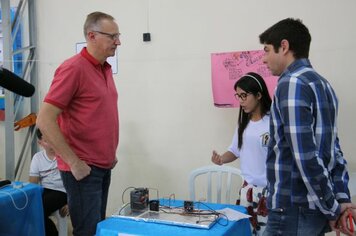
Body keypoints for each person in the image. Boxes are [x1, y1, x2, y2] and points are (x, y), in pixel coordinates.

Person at [259, 18, 355, 235]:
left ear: (284, 46)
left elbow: (305, 157)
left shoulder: (291, 83)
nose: (264, 59)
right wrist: (340, 199)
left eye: (266, 50)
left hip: (292, 209)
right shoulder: (323, 84)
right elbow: (333, 150)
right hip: (311, 208)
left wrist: (332, 208)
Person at [36, 11, 120, 236]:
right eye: (112, 36)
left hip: (102, 166)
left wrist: (108, 153)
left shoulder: (105, 69)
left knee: (97, 229)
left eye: (118, 36)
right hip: (83, 169)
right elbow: (44, 119)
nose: (118, 42)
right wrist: (73, 162)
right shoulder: (73, 68)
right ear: (91, 36)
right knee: (87, 232)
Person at [211, 72, 271, 235]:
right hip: (247, 192)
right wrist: (221, 159)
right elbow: (235, 150)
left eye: (244, 96)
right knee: (246, 232)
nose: (240, 101)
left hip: (270, 191)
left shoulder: (273, 122)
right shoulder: (243, 123)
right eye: (238, 96)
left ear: (259, 95)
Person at [29, 128, 68, 236]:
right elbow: (32, 185)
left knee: (37, 208)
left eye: (53, 139)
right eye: (47, 141)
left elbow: (77, 182)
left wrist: (70, 202)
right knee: (30, 208)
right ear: (40, 143)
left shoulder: (66, 155)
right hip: (45, 191)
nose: (51, 144)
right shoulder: (37, 158)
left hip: (62, 192)